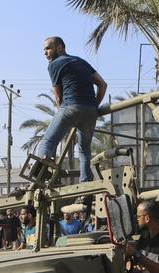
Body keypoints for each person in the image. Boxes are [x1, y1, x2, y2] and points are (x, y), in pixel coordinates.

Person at [35, 36, 108, 183]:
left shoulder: (54, 64)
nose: (45, 53)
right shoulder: (81, 61)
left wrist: (66, 119)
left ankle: (43, 175)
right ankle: (85, 184)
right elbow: (103, 85)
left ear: (60, 48)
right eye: (44, 50)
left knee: (47, 142)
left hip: (70, 107)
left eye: (48, 48)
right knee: (84, 150)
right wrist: (94, 106)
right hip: (90, 111)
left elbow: (59, 98)